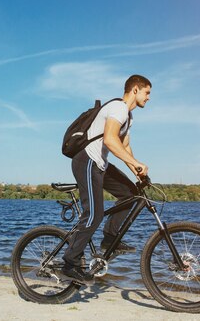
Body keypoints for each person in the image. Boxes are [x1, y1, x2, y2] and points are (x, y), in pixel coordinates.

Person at [61, 74, 151, 285]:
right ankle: (69, 263)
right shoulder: (118, 108)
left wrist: (136, 168)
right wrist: (134, 163)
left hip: (99, 164)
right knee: (94, 213)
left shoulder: (128, 117)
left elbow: (124, 146)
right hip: (87, 161)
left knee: (131, 194)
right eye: (147, 93)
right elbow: (111, 140)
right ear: (135, 90)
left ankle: (110, 238)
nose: (148, 98)